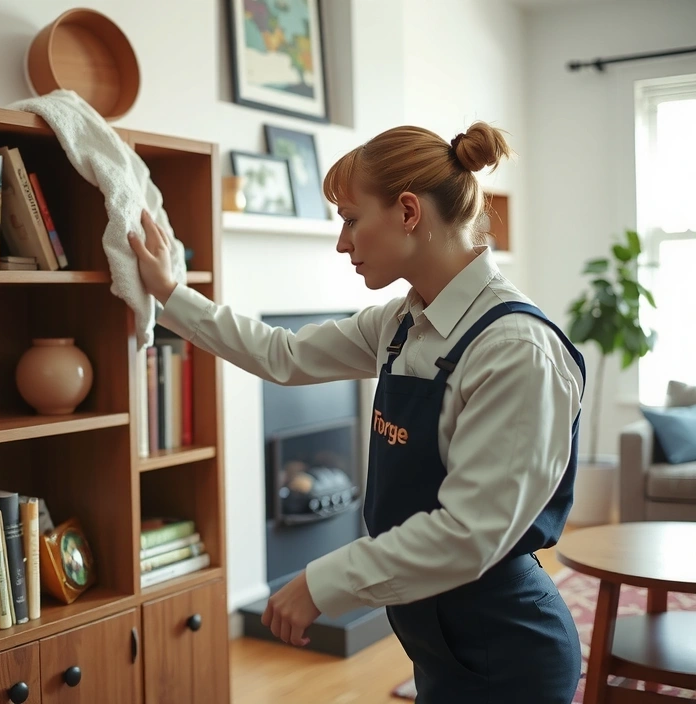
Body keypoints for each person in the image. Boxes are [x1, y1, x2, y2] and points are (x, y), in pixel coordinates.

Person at [127, 121, 586, 703]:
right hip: (437, 641)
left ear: (408, 212)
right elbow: (283, 354)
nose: (342, 242)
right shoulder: (400, 322)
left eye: (349, 218)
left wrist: (323, 582)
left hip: (508, 650)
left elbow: (469, 535)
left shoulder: (516, 351)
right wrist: (172, 293)